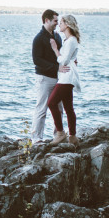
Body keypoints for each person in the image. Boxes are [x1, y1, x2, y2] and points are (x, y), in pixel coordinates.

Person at [46, 15, 82, 145]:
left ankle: (60, 133)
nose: (59, 24)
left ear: (67, 24)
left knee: (51, 103)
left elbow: (65, 60)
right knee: (68, 107)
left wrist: (55, 49)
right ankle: (72, 137)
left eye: (61, 22)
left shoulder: (71, 40)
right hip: (66, 76)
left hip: (67, 78)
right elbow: (70, 59)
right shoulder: (68, 40)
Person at [31, 9, 62, 142]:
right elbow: (37, 60)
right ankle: (36, 138)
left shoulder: (57, 36)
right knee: (42, 108)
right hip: (44, 78)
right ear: (46, 20)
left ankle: (58, 135)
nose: (57, 23)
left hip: (58, 78)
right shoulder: (38, 38)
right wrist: (56, 67)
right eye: (55, 21)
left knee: (59, 108)